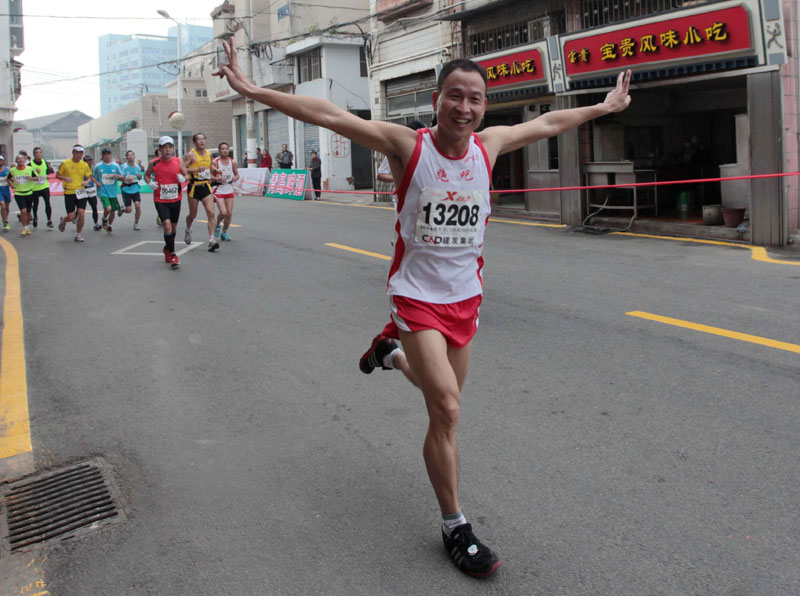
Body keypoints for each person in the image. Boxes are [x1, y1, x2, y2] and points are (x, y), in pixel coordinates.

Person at [216, 40, 632, 579]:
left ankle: (389, 356)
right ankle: (455, 524)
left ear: (485, 106)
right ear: (436, 100)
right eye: (454, 96)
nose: (465, 107)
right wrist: (256, 91)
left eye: (475, 99)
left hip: (466, 299)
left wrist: (602, 108)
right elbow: (329, 113)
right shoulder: (408, 146)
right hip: (417, 297)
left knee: (444, 403)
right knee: (449, 410)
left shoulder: (490, 145)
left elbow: (550, 122)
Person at [144, 136, 189, 268]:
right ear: (160, 150)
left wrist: (183, 178)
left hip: (176, 198)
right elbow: (147, 175)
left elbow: (186, 175)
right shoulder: (154, 163)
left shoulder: (178, 161)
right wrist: (149, 183)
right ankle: (173, 254)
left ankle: (167, 249)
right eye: (165, 148)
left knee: (173, 227)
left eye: (170, 147)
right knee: (167, 225)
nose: (167, 150)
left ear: (173, 149)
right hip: (160, 199)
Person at [183, 132, 220, 252]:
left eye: (203, 139)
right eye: (198, 139)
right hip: (194, 187)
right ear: (194, 142)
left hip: (206, 186)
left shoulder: (209, 154)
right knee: (193, 215)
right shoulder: (191, 155)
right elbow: (182, 168)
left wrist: (216, 170)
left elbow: (210, 166)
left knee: (211, 213)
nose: (201, 141)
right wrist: (196, 169)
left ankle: (211, 240)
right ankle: (188, 229)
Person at [56, 145, 93, 242]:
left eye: (81, 152)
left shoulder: (84, 165)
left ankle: (78, 234)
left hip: (81, 191)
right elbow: (57, 175)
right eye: (77, 152)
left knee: (81, 213)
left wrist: (87, 182)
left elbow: (89, 177)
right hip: (69, 191)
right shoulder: (65, 163)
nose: (79, 154)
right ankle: (63, 220)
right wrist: (65, 178)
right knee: (71, 217)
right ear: (73, 152)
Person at [212, 142, 239, 241]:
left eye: (226, 149)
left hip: (229, 188)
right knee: (223, 212)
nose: (225, 150)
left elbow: (237, 174)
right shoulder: (215, 162)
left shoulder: (232, 162)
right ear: (219, 150)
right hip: (219, 189)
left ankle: (224, 232)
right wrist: (217, 178)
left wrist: (236, 178)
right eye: (223, 149)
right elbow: (210, 176)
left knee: (229, 213)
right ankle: (217, 225)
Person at [94, 148, 124, 234]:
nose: (107, 156)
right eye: (105, 155)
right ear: (102, 156)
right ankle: (104, 219)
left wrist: (117, 176)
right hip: (102, 191)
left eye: (108, 154)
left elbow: (122, 176)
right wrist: (96, 183)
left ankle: (109, 225)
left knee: (113, 211)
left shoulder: (116, 166)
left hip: (113, 192)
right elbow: (92, 176)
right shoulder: (98, 166)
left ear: (111, 155)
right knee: (108, 208)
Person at [8, 154, 34, 236]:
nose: (20, 160)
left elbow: (37, 177)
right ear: (16, 161)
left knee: (28, 212)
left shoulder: (30, 169)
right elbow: (8, 178)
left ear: (25, 160)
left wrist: (31, 178)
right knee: (23, 211)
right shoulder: (12, 170)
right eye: (18, 159)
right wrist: (11, 184)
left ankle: (28, 226)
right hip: (18, 193)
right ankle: (24, 227)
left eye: (22, 159)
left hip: (29, 192)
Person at [119, 150, 144, 230]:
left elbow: (139, 177)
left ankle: (136, 223)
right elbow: (119, 177)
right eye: (128, 155)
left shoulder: (137, 167)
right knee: (129, 210)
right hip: (126, 189)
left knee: (138, 205)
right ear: (126, 157)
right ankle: (123, 209)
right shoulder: (123, 166)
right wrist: (126, 179)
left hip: (135, 188)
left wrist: (140, 176)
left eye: (132, 155)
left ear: (134, 156)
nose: (130, 156)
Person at [30, 147, 53, 229]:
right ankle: (35, 217)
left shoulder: (45, 162)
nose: (38, 154)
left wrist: (47, 175)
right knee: (35, 204)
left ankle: (49, 220)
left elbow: (48, 172)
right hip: (35, 187)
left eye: (40, 152)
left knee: (47, 203)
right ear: (34, 154)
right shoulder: (30, 164)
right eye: (36, 153)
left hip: (44, 186)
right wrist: (33, 177)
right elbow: (28, 175)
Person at [82, 155, 102, 231]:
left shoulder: (93, 168)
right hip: (83, 189)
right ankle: (76, 216)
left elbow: (94, 176)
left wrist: (97, 183)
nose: (90, 162)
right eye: (88, 161)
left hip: (91, 189)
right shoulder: (81, 167)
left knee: (94, 206)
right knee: (82, 207)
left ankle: (96, 223)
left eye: (91, 160)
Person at [0, 156, 11, 231]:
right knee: (3, 205)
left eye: (1, 160)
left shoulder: (8, 169)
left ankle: (4, 218)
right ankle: (6, 222)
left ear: (3, 161)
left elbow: (12, 178)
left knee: (6, 207)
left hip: (6, 190)